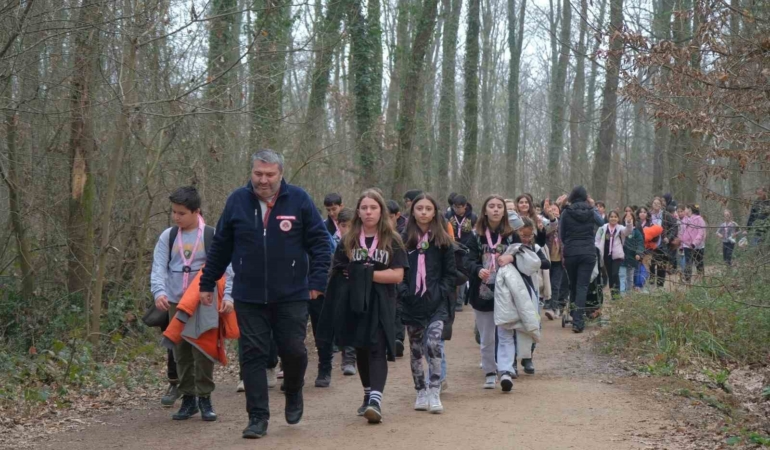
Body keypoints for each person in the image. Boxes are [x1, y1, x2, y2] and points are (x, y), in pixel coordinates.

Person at [199, 150, 331, 440]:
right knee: (252, 356)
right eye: (258, 173)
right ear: (252, 172)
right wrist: (207, 284)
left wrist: (317, 280)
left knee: (293, 351)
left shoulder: (299, 200)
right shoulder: (237, 201)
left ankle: (294, 390)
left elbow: (321, 243)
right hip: (249, 295)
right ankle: (257, 417)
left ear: (281, 174)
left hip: (293, 294)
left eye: (269, 174)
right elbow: (221, 245)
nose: (263, 180)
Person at [321, 189, 408, 424]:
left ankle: (376, 401)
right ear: (358, 211)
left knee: (377, 347)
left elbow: (398, 275)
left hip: (381, 301)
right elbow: (339, 270)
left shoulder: (393, 240)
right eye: (364, 208)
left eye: (373, 208)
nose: (368, 212)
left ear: (381, 210)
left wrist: (365, 274)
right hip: (354, 302)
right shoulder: (348, 239)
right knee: (361, 348)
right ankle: (368, 393)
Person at [151, 186, 233, 421]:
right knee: (181, 353)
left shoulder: (211, 235)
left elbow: (228, 268)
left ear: (196, 212)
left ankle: (205, 398)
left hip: (205, 301)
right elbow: (159, 267)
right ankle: (188, 399)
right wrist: (159, 292)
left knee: (203, 350)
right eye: (173, 212)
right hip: (176, 302)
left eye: (181, 213)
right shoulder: (168, 236)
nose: (176, 217)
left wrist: (228, 296)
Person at [399, 194, 456, 413]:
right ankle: (420, 390)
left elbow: (450, 274)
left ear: (435, 212)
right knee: (415, 350)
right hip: (412, 303)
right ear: (413, 211)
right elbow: (399, 271)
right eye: (419, 208)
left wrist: (440, 292)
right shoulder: (402, 240)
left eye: (428, 209)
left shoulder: (443, 241)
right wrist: (404, 292)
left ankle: (434, 388)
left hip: (436, 304)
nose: (423, 212)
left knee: (433, 345)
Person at [465, 195, 519, 388]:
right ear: (485, 210)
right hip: (482, 291)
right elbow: (467, 260)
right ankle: (489, 371)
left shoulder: (512, 235)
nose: (495, 209)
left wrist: (511, 259)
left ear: (504, 211)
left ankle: (505, 370)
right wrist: (478, 270)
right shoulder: (475, 235)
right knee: (487, 336)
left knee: (505, 333)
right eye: (491, 206)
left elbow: (524, 256)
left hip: (506, 291)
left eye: (499, 206)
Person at [495, 217, 550, 385]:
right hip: (510, 292)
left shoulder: (534, 247)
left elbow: (546, 264)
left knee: (530, 323)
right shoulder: (508, 247)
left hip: (529, 291)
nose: (525, 238)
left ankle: (527, 358)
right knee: (510, 324)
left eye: (529, 235)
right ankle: (510, 364)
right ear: (515, 232)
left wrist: (527, 257)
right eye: (522, 234)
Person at [557, 186, 603, 333]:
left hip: (571, 252)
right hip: (588, 252)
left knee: (573, 284)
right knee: (582, 286)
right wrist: (593, 205)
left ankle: (574, 314)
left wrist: (567, 245)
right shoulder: (591, 211)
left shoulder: (566, 212)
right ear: (585, 197)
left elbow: (561, 233)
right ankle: (578, 320)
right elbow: (602, 223)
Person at [334, 208, 358, 376]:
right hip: (342, 288)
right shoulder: (336, 242)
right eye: (344, 226)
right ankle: (348, 358)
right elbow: (335, 266)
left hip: (362, 289)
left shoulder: (362, 242)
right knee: (346, 321)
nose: (347, 230)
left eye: (351, 226)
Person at [594, 211, 633, 299]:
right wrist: (598, 248)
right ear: (608, 218)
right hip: (606, 256)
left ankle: (617, 295)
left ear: (618, 219)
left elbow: (628, 231)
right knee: (610, 275)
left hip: (617, 255)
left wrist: (629, 222)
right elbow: (597, 240)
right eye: (611, 216)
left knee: (615, 274)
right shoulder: (602, 228)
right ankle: (613, 295)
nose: (613, 218)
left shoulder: (620, 228)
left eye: (615, 217)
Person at [544, 203, 569, 319]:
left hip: (560, 259)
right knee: (547, 284)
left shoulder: (564, 223)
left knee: (556, 284)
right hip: (548, 258)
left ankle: (554, 308)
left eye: (555, 209)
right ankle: (549, 305)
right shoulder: (547, 223)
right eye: (551, 209)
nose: (553, 211)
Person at [680, 204, 707, 283]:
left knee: (699, 263)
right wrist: (681, 245)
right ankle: (687, 280)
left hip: (698, 246)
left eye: (685, 209)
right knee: (688, 263)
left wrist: (694, 243)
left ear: (689, 209)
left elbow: (701, 233)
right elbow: (682, 233)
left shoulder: (699, 219)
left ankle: (702, 280)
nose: (684, 210)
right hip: (687, 246)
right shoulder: (684, 220)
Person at [620, 211, 644, 293]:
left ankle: (629, 293)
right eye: (626, 218)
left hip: (632, 258)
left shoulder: (636, 232)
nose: (628, 220)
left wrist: (638, 253)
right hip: (621, 258)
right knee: (622, 276)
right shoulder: (621, 230)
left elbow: (640, 243)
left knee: (630, 277)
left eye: (630, 218)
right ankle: (622, 295)